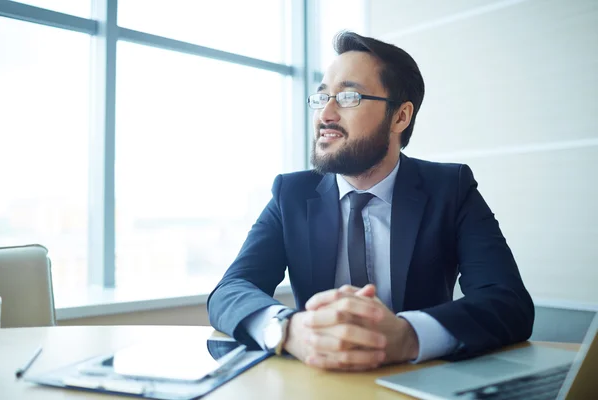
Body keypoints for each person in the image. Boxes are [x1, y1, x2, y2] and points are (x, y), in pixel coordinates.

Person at [207, 31, 534, 371]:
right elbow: (231, 290)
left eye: (348, 97)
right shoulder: (291, 194)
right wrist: (289, 330)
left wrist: (408, 336)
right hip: (317, 380)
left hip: (419, 381)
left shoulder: (450, 189)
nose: (326, 115)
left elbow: (508, 302)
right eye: (322, 98)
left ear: (400, 117)